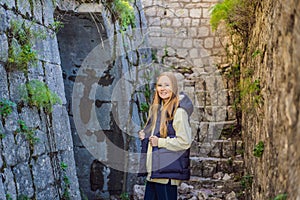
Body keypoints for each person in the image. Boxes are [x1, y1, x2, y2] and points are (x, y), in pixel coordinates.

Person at [138, 71, 194, 200]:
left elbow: (185, 142)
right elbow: (158, 136)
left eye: (167, 85)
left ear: (174, 87)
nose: (163, 89)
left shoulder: (179, 112)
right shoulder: (158, 110)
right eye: (160, 85)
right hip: (155, 173)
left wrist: (161, 142)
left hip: (166, 173)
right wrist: (145, 137)